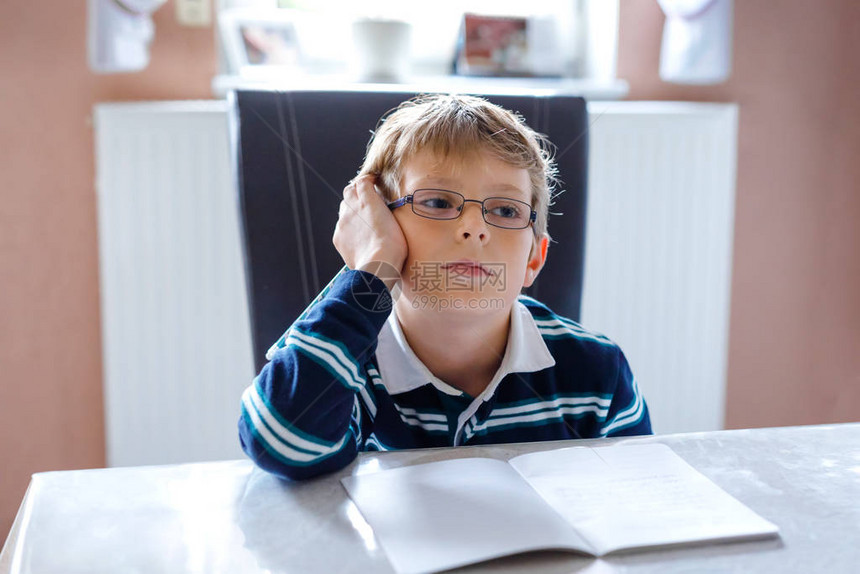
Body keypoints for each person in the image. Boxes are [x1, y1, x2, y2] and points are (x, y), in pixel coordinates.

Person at [239, 94, 651, 480]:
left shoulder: (598, 375)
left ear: (534, 259)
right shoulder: (351, 366)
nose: (473, 228)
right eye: (437, 203)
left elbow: (637, 503)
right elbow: (281, 440)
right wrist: (372, 267)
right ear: (378, 227)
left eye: (506, 210)